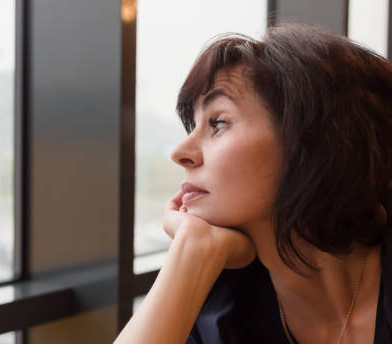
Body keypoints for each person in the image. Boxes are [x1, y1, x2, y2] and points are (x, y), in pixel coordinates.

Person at [115, 23, 392, 343]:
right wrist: (192, 247)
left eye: (217, 123)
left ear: (310, 144)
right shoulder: (215, 306)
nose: (180, 153)